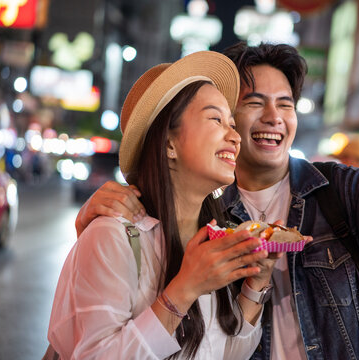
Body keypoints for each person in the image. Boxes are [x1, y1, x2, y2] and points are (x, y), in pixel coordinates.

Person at [75, 42, 359, 359]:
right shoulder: (204, 218)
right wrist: (98, 221)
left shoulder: (340, 191)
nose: (274, 117)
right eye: (253, 103)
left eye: (286, 104)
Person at [46, 51, 276, 359]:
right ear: (169, 143)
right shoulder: (112, 237)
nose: (235, 137)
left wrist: (255, 287)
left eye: (232, 124)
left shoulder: (213, 238)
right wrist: (184, 289)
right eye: (216, 119)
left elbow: (222, 353)